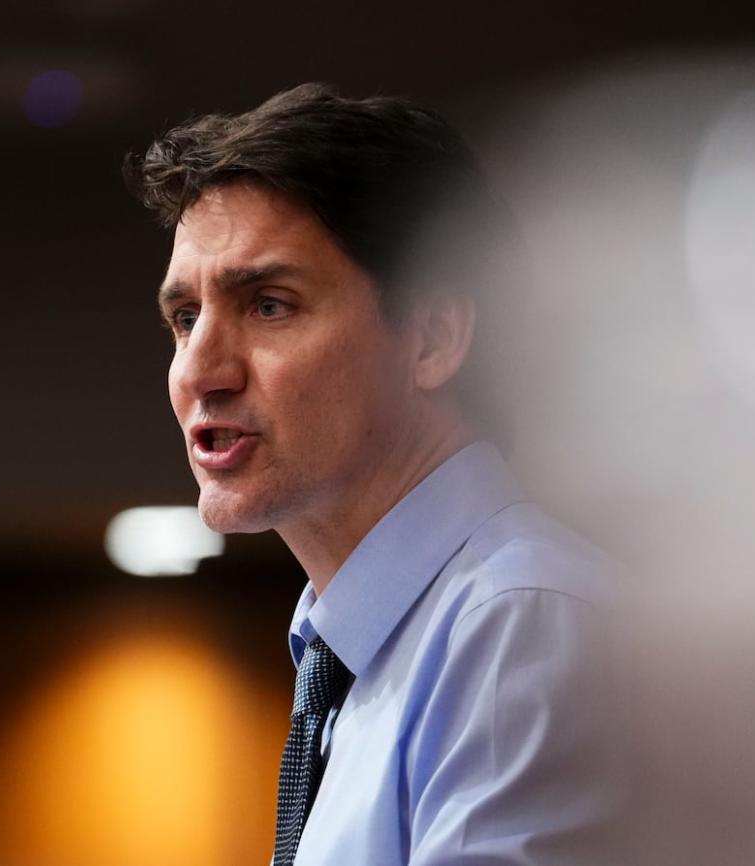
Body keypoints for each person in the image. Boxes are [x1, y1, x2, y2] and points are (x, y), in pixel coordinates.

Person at [123, 83, 614, 866]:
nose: (200, 371)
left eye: (269, 305)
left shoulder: (519, 624)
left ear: (431, 337)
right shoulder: (355, 649)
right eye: (185, 319)